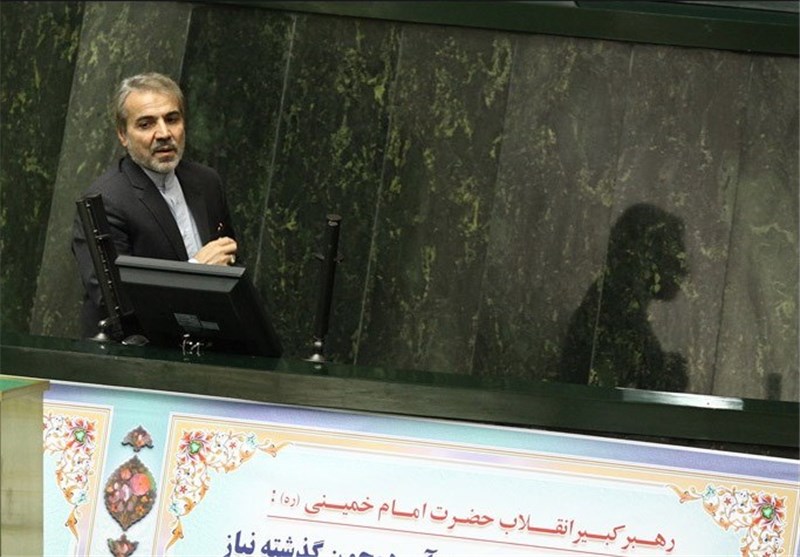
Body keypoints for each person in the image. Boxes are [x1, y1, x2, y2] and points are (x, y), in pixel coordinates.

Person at [72, 72, 238, 338]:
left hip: (206, 342)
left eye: (172, 119)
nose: (164, 134)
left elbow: (231, 267)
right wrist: (195, 270)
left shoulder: (207, 182)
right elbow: (116, 303)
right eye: (146, 124)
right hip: (137, 350)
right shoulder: (105, 200)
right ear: (123, 134)